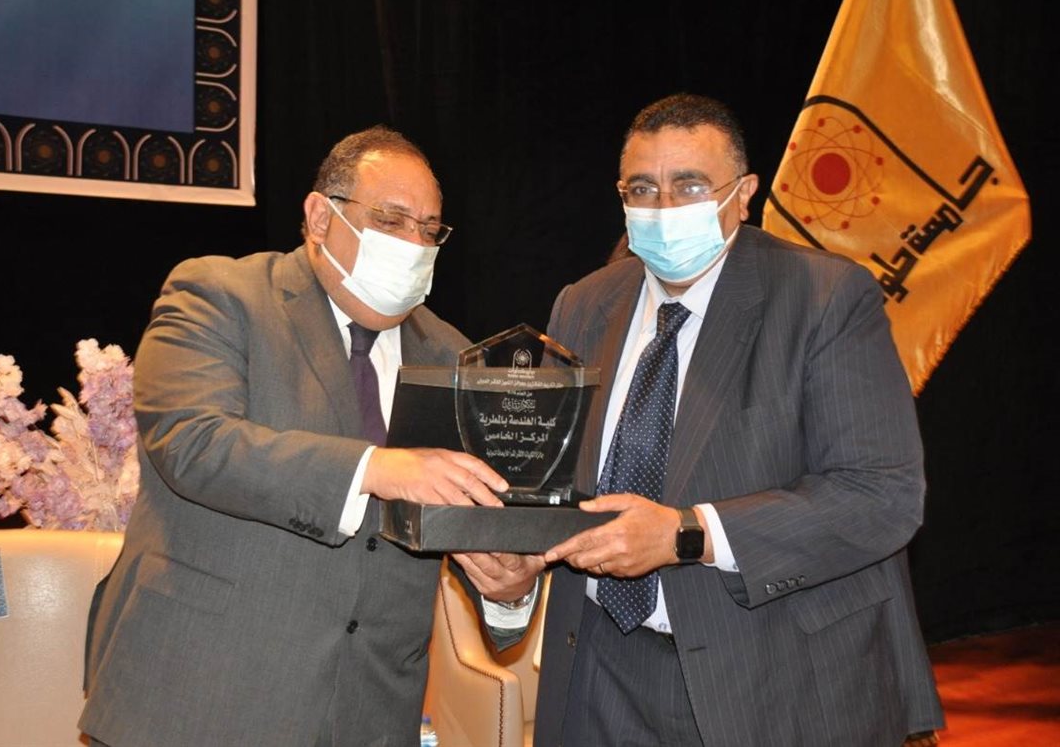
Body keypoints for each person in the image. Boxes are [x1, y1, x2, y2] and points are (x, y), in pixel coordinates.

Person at [79, 126, 538, 747]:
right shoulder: (221, 295)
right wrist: (377, 468)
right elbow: (193, 443)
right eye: (391, 220)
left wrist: (510, 589)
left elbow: (474, 519)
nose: (413, 244)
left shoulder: (456, 357)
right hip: (201, 697)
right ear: (321, 217)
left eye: (430, 230)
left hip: (369, 713)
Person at [532, 94, 945, 745]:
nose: (663, 207)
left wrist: (687, 535)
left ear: (744, 193)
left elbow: (881, 495)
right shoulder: (583, 304)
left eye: (689, 185)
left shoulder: (824, 297)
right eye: (642, 188)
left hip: (772, 674)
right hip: (601, 672)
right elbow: (551, 475)